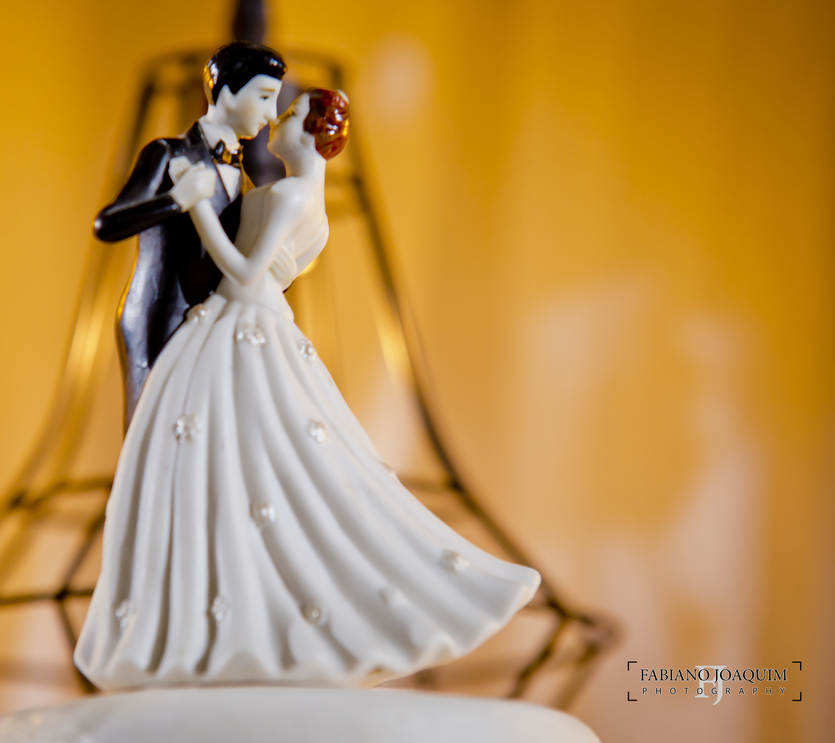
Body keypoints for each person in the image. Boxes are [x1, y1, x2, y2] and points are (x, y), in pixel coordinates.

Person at [75, 89, 541, 690]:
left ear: (316, 136)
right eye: (272, 103)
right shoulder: (278, 188)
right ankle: (216, 614)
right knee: (241, 465)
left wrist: (194, 208)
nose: (276, 118)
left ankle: (216, 622)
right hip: (219, 322)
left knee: (231, 463)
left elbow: (247, 275)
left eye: (290, 113)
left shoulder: (294, 195)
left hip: (238, 320)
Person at [94, 42, 287, 425]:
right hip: (159, 317)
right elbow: (108, 223)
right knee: (152, 434)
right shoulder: (167, 153)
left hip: (213, 325)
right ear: (227, 94)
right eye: (264, 97)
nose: (271, 114)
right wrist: (174, 201)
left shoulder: (245, 178)